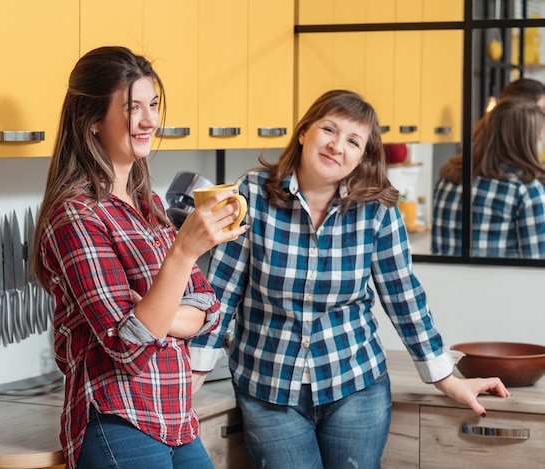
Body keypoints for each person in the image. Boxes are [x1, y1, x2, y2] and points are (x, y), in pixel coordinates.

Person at [189, 90, 510, 469]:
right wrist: (191, 379)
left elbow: (403, 298)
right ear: (305, 131)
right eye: (329, 129)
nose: (337, 146)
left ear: (363, 156)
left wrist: (446, 378)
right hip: (269, 388)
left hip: (356, 386)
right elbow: (220, 293)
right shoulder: (251, 196)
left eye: (353, 141)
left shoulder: (376, 210)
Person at [32, 46, 248, 469]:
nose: (150, 120)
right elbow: (128, 345)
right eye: (134, 107)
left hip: (175, 418)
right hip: (117, 421)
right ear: (91, 120)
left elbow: (209, 311)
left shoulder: (146, 204)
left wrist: (152, 312)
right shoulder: (76, 215)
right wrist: (183, 254)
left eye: (153, 105)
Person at [432, 97, 545, 258]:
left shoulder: (449, 178)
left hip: (442, 282)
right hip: (496, 283)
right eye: (539, 140)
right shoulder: (526, 190)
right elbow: (537, 262)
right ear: (526, 143)